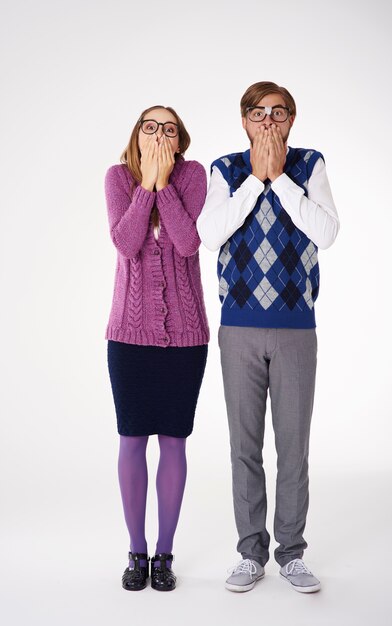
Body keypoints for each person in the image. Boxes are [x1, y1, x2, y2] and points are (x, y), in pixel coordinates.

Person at [197, 82, 339, 594]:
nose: (268, 121)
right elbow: (209, 233)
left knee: (294, 446)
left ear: (291, 120)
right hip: (237, 327)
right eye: (258, 113)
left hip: (297, 327)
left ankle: (292, 553)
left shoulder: (310, 165)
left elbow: (325, 232)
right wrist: (256, 180)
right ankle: (250, 552)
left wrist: (279, 180)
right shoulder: (225, 169)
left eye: (278, 113)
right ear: (244, 120)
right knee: (244, 445)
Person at [105, 105, 209, 592]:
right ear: (136, 134)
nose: (160, 133)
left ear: (180, 139)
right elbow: (126, 242)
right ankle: (136, 551)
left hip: (186, 337)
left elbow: (187, 243)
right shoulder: (116, 178)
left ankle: (164, 554)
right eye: (151, 126)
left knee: (173, 441)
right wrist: (145, 182)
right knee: (131, 441)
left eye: (170, 128)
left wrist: (164, 181)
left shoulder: (191, 175)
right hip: (129, 335)